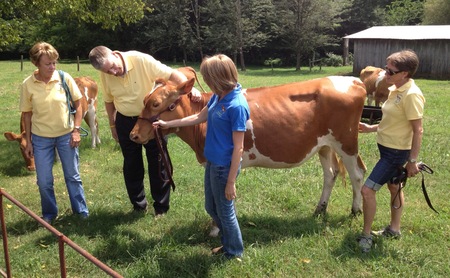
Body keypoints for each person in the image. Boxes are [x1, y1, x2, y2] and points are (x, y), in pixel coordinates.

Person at [154, 54, 250, 259]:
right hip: (213, 162)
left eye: (207, 77)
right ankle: (228, 243)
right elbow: (200, 116)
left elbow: (239, 148)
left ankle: (233, 251)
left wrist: (231, 182)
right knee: (211, 206)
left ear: (218, 77)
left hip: (224, 167)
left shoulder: (237, 105)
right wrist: (168, 125)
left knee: (225, 211)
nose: (205, 81)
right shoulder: (219, 95)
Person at [88, 46, 201, 216]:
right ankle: (138, 205)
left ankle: (161, 207)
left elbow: (171, 74)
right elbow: (109, 101)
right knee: (131, 164)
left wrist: (190, 88)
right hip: (125, 120)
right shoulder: (106, 74)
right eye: (108, 71)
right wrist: (113, 125)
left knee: (158, 161)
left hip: (151, 118)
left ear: (114, 53)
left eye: (113, 66)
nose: (113, 72)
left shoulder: (141, 59)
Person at [358, 49, 425, 252]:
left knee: (367, 190)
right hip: (387, 148)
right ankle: (394, 229)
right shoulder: (396, 89)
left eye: (390, 71)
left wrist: (412, 161)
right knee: (394, 187)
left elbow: (417, 129)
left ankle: (366, 236)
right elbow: (393, 121)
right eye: (386, 69)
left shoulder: (411, 95)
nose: (385, 74)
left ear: (405, 73)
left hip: (395, 153)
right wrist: (371, 128)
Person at [20, 42, 89, 224]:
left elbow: (79, 104)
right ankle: (49, 214)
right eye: (47, 64)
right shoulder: (27, 84)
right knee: (44, 181)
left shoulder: (64, 78)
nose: (52, 67)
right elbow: (26, 114)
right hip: (41, 139)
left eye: (54, 63)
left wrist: (76, 130)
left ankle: (81, 211)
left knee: (72, 176)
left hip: (66, 135)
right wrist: (27, 141)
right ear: (36, 64)